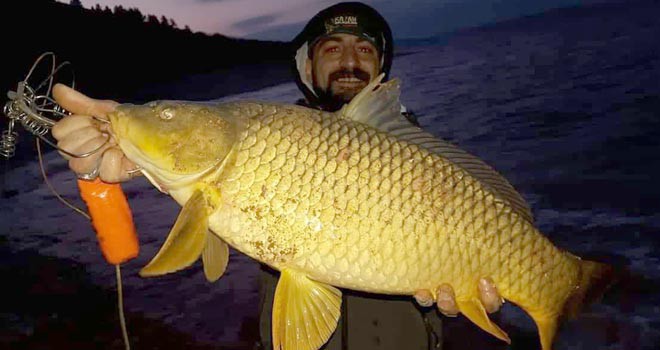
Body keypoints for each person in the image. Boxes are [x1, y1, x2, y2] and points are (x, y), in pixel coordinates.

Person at [51, 2, 503, 349]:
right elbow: (194, 201)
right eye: (333, 49)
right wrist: (121, 154)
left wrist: (481, 289)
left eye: (364, 49)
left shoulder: (426, 165)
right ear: (308, 67)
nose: (350, 60)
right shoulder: (267, 135)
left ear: (380, 71)